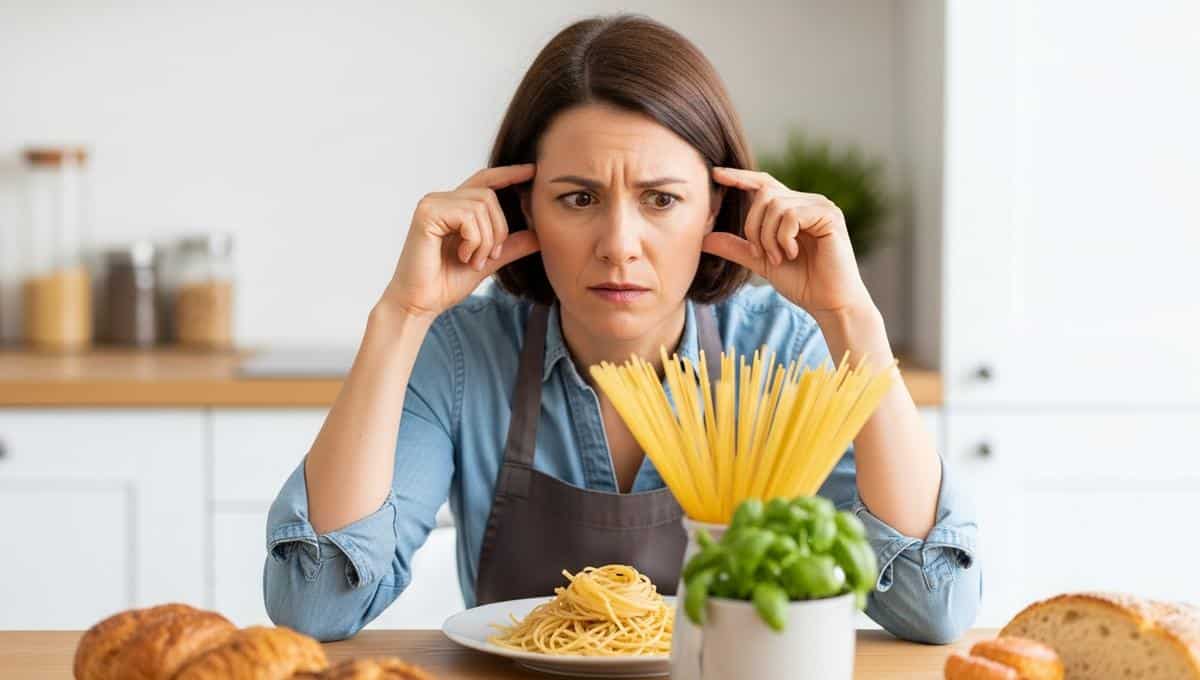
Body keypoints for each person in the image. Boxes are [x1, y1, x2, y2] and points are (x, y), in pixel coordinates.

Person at [264, 13, 979, 644]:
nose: (618, 244)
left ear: (714, 210)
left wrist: (850, 317)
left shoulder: (783, 352)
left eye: (661, 199)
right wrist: (402, 314)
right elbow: (315, 605)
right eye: (577, 198)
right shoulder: (462, 355)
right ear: (525, 210)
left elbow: (934, 606)